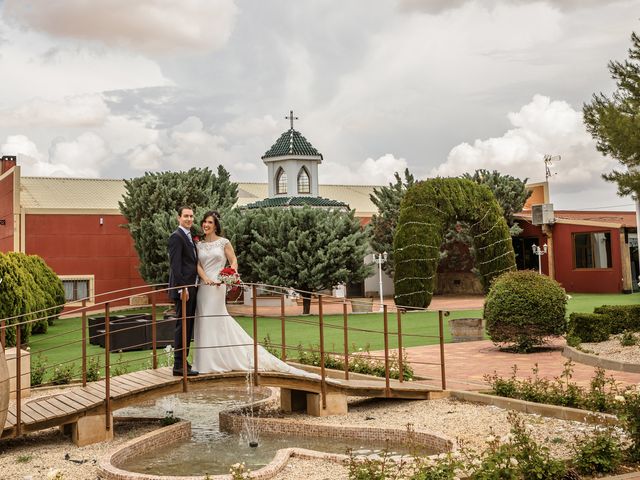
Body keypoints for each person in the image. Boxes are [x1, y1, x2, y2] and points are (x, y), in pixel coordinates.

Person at [193, 210, 317, 378]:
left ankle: (222, 359)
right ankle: (205, 361)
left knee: (216, 318)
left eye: (210, 222)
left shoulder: (224, 242)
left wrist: (228, 276)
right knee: (204, 320)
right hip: (204, 286)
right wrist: (206, 278)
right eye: (204, 222)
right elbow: (198, 265)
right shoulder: (198, 244)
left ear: (216, 226)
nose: (206, 225)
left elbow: (233, 261)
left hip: (218, 286)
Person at [168, 206, 199, 376]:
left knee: (188, 326)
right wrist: (183, 289)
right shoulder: (176, 237)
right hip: (184, 290)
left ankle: (183, 362)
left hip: (191, 288)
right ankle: (178, 365)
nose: (189, 219)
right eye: (185, 216)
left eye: (191, 216)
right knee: (182, 326)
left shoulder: (188, 237)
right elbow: (176, 266)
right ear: (179, 217)